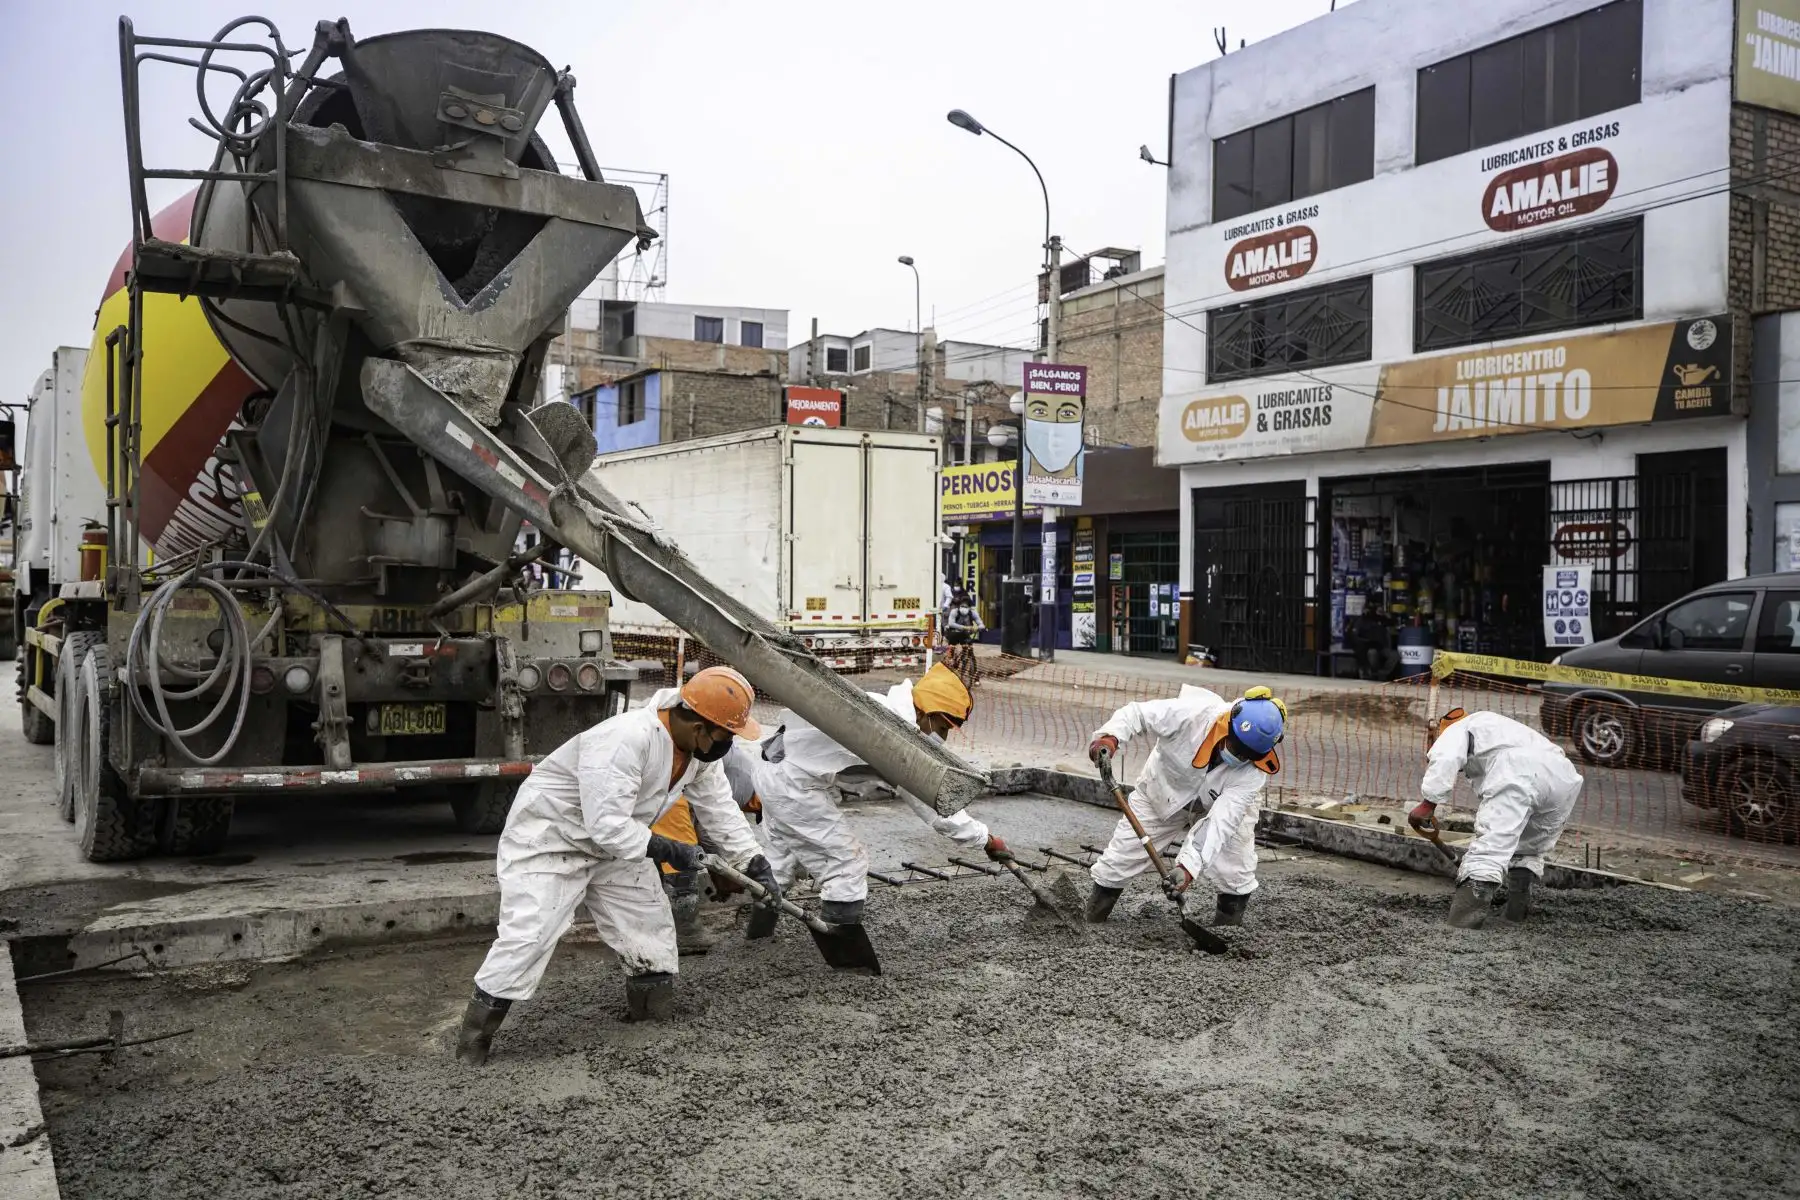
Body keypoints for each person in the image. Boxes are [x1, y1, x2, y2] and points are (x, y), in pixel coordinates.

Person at [456, 666, 782, 1066]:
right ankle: (472, 1045)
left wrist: (753, 861)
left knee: (648, 927)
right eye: (726, 735)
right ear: (700, 725)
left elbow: (719, 810)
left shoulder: (698, 756)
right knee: (531, 933)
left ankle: (650, 1028)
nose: (728, 744)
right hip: (553, 837)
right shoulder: (626, 739)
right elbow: (605, 824)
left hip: (622, 844)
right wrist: (667, 849)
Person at [753, 662, 1011, 926]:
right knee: (846, 865)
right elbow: (933, 805)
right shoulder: (894, 738)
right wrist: (985, 839)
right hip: (791, 784)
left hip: (771, 768)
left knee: (781, 863)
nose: (942, 738)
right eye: (943, 728)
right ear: (926, 712)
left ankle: (757, 937)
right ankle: (846, 953)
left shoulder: (880, 706)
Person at [1084, 685, 1286, 927]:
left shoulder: (1253, 773)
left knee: (1236, 869)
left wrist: (1187, 868)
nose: (1238, 758)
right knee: (1120, 858)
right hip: (1162, 790)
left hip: (1219, 805)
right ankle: (1090, 922)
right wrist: (1110, 738)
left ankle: (1228, 931)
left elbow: (1221, 821)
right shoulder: (1193, 714)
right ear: (1228, 727)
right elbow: (1137, 714)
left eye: (1246, 756)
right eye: (1236, 749)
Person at [1415, 707, 1584, 929]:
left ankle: (1462, 925)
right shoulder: (1497, 729)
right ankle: (1515, 913)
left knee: (1489, 850)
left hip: (1518, 771)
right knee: (1529, 848)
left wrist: (1427, 804)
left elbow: (1445, 757)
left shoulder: (1456, 729)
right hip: (1564, 778)